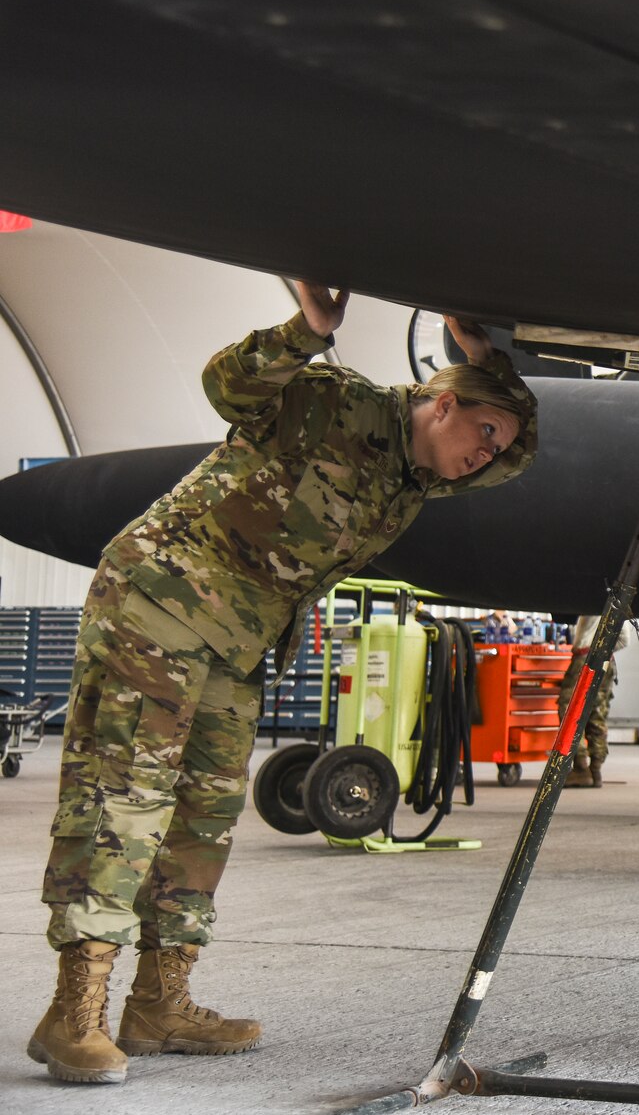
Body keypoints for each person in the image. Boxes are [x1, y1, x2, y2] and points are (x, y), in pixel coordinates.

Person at [30, 283, 538, 1085]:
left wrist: (487, 365)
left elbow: (522, 456)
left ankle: (160, 1001)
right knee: (125, 796)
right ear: (439, 407)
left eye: (496, 442)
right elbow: (225, 386)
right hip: (160, 598)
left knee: (207, 810)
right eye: (482, 433)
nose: (488, 455)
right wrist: (308, 329)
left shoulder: (420, 474)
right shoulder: (336, 402)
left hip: (237, 640)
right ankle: (74, 1012)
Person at [556, 613, 630, 788]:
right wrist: (605, 649)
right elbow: (624, 639)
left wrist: (591, 649)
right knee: (598, 713)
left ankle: (580, 767)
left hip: (584, 658)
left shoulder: (591, 600)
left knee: (569, 710)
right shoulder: (620, 600)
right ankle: (596, 770)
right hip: (606, 661)